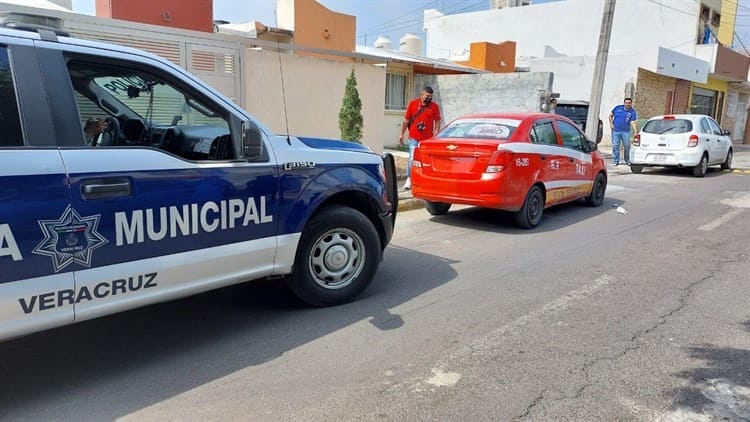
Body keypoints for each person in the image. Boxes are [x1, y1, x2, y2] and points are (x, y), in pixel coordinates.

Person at [398, 86, 441, 190]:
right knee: (412, 158)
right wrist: (401, 134)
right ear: (422, 95)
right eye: (427, 96)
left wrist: (436, 133)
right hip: (414, 137)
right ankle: (409, 179)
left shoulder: (434, 106)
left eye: (431, 97)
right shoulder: (413, 104)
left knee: (426, 160)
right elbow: (406, 120)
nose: (429, 98)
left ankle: (424, 180)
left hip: (427, 139)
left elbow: (437, 120)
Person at [609, 97, 638, 166]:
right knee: (616, 146)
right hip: (616, 131)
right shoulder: (617, 108)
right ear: (624, 103)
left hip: (626, 132)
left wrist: (636, 132)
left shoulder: (632, 112)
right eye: (626, 103)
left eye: (629, 103)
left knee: (627, 146)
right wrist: (611, 124)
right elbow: (610, 116)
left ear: (631, 104)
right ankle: (616, 160)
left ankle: (627, 160)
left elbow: (633, 122)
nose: (627, 104)